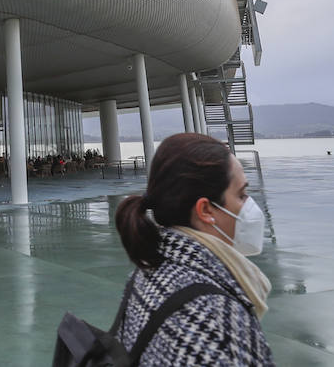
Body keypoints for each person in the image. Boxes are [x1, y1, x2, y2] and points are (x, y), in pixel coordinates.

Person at [113, 133, 273, 365]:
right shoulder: (217, 320)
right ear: (206, 210)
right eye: (241, 194)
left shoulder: (144, 273)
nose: (250, 205)